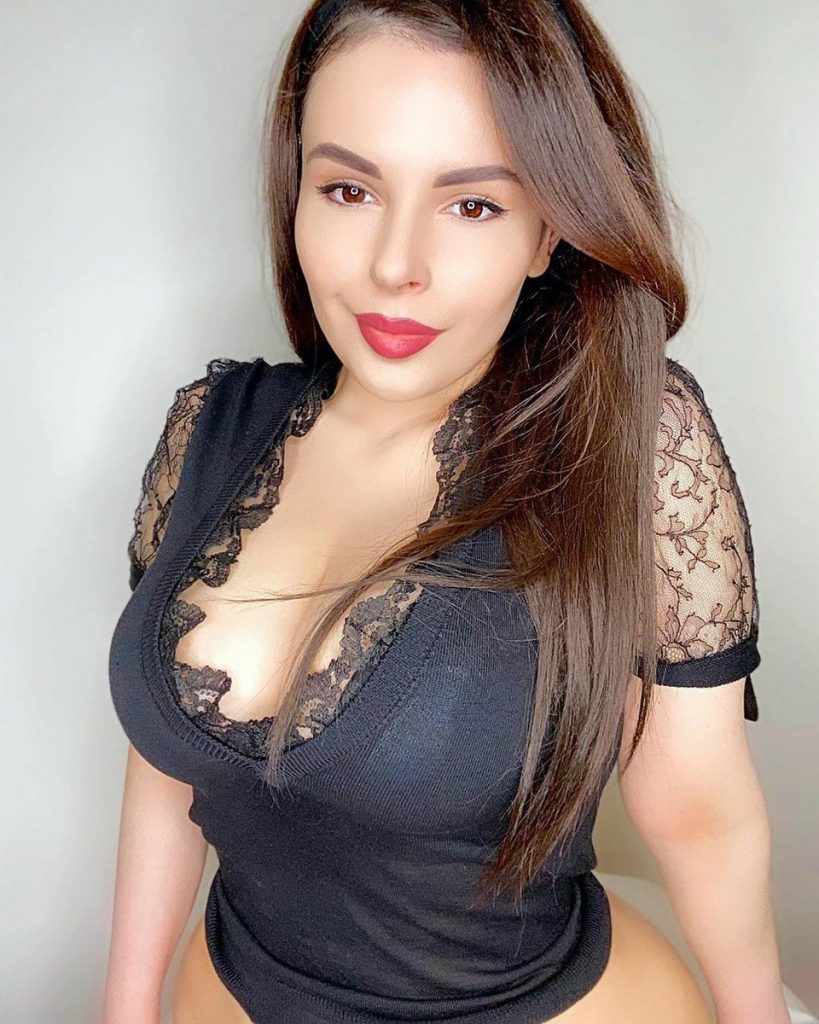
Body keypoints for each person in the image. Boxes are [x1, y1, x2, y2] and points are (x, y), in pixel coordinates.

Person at [104, 2, 790, 1023]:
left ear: (547, 230)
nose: (396, 264)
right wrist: (125, 1006)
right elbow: (167, 772)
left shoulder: (631, 447)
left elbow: (699, 812)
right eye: (349, 190)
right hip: (227, 992)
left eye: (472, 205)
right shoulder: (209, 429)